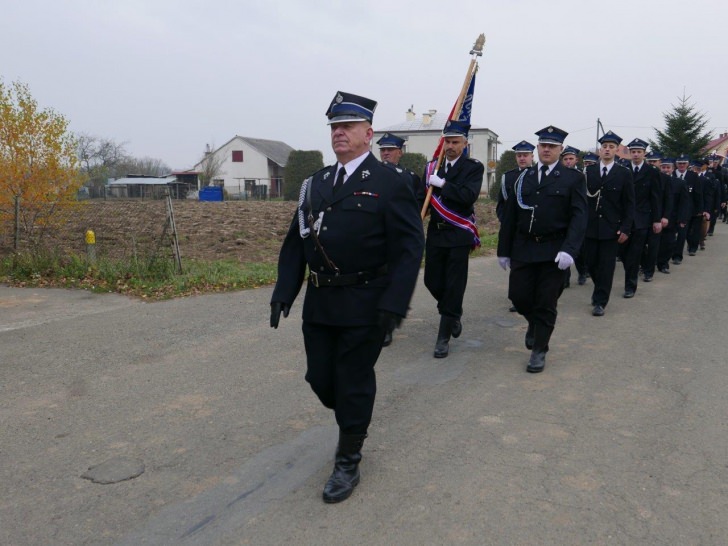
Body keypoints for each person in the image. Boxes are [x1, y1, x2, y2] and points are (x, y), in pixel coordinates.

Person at [269, 91, 425, 503]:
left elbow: (410, 248)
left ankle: (348, 456)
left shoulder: (391, 183)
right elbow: (295, 242)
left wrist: (394, 303)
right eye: (334, 127)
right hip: (320, 303)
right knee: (320, 379)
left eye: (347, 127)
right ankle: (352, 421)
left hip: (366, 301)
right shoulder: (315, 183)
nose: (339, 133)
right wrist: (285, 291)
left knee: (353, 380)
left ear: (368, 134)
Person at [497, 125, 587, 373]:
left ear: (560, 149)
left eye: (552, 146)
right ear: (537, 149)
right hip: (524, 247)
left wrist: (570, 249)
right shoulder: (522, 178)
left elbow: (579, 216)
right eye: (543, 145)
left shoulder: (573, 179)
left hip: (554, 250)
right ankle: (534, 323)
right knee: (519, 296)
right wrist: (503, 250)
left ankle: (539, 349)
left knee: (546, 301)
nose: (547, 149)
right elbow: (511, 216)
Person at [418, 120, 483, 358]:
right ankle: (453, 313)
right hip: (436, 232)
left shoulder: (473, 168)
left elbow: (468, 196)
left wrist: (444, 185)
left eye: (455, 142)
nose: (450, 146)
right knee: (432, 281)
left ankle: (443, 337)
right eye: (447, 141)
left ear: (465, 144)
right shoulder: (433, 167)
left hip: (458, 234)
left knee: (454, 285)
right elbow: (421, 197)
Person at [376, 132, 422, 347]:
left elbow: (420, 202)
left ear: (400, 153)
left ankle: (387, 326)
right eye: (383, 149)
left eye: (390, 150)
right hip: (376, 237)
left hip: (397, 237)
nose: (385, 153)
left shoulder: (409, 177)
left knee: (393, 277)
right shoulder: (371, 174)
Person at [583, 131, 634, 316]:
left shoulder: (624, 173)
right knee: (591, 264)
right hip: (590, 227)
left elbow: (629, 204)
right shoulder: (588, 172)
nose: (607, 150)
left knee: (606, 266)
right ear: (600, 149)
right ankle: (600, 289)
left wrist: (625, 228)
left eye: (611, 147)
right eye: (604, 147)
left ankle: (600, 301)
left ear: (617, 150)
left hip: (611, 228)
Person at [619, 138, 661, 297]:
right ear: (630, 153)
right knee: (622, 252)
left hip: (642, 218)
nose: (636, 154)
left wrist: (656, 219)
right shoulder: (623, 170)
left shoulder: (652, 172)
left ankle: (630, 286)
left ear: (644, 154)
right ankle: (631, 270)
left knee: (635, 252)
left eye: (639, 152)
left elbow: (655, 197)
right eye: (633, 152)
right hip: (624, 219)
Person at [497, 140, 535, 312]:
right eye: (519, 155)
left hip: (533, 229)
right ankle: (518, 299)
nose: (522, 158)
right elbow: (501, 204)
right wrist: (506, 223)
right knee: (517, 266)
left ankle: (533, 296)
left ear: (532, 156)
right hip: (514, 230)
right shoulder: (508, 177)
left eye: (525, 155)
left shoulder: (538, 175)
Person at [656, 157, 689, 274]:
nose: (665, 170)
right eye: (663, 167)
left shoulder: (680, 183)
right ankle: (648, 264)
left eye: (668, 167)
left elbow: (683, 203)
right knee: (653, 243)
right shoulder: (654, 181)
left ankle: (663, 264)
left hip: (671, 218)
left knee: (668, 243)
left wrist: (682, 219)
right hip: (654, 217)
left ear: (672, 169)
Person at [672, 154, 700, 263]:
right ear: (676, 164)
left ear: (687, 164)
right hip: (671, 210)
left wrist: (699, 209)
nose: (682, 165)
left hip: (686, 210)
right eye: (679, 163)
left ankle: (677, 256)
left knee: (682, 234)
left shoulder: (693, 176)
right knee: (670, 235)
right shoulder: (671, 174)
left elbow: (698, 194)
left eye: (684, 163)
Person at [560, 145, 581, 289]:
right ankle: (564, 278)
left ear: (576, 160)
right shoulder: (559, 175)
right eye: (566, 159)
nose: (568, 161)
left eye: (571, 159)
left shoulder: (581, 176)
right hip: (562, 218)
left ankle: (583, 270)